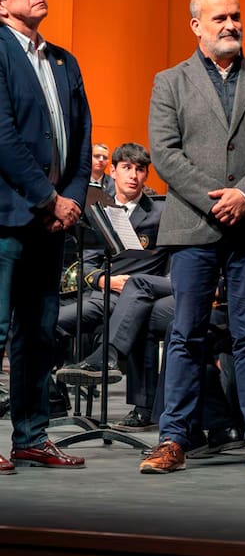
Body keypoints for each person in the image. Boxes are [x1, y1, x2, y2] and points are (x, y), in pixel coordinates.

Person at [142, 0, 245, 475]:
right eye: (220, 19)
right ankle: (173, 440)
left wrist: (244, 196)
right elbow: (165, 153)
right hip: (193, 225)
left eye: (236, 16)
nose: (231, 25)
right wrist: (216, 201)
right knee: (186, 334)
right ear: (196, 26)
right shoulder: (169, 81)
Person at [0, 0, 92, 471]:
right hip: (9, 216)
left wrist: (72, 198)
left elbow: (82, 140)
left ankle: (32, 436)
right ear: (1, 4)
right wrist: (47, 198)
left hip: (53, 219)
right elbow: (4, 137)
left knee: (38, 331)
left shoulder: (63, 60)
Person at [55, 142, 166, 382]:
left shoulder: (160, 213)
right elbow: (86, 263)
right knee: (44, 322)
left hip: (135, 297)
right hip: (100, 295)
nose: (133, 176)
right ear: (113, 171)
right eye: (127, 168)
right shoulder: (99, 211)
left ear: (146, 174)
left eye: (140, 169)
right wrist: (106, 281)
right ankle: (53, 393)